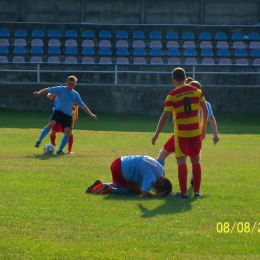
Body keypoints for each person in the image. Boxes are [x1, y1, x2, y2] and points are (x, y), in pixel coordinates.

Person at [152, 67, 208, 198]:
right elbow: (205, 110)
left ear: (174, 79)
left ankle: (183, 193)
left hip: (182, 133)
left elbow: (165, 116)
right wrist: (203, 127)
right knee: (196, 161)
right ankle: (197, 191)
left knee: (181, 162)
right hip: (195, 132)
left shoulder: (172, 95)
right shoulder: (197, 91)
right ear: (185, 77)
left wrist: (157, 133)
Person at [156, 80, 220, 186]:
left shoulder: (179, 98)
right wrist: (215, 134)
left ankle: (156, 176)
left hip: (182, 133)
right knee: (195, 158)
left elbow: (173, 119)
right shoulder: (205, 103)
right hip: (197, 134)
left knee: (164, 154)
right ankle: (194, 179)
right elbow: (211, 118)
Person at [33, 75, 97, 154]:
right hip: (58, 112)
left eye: (72, 85)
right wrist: (38, 93)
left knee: (68, 132)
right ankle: (39, 141)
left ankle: (60, 150)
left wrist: (91, 114)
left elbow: (82, 105)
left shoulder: (75, 94)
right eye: (69, 84)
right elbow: (47, 90)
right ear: (66, 83)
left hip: (67, 115)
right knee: (51, 124)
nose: (70, 86)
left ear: (75, 85)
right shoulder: (60, 89)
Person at [86, 155, 172, 198]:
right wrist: (156, 196)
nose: (154, 188)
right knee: (137, 191)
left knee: (132, 185)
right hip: (120, 169)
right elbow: (144, 194)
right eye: (157, 189)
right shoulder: (152, 177)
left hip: (119, 161)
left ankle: (101, 185)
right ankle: (110, 189)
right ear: (160, 183)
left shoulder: (161, 171)